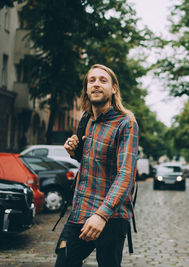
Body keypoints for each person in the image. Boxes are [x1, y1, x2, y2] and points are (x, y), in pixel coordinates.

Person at [55, 64, 139, 267]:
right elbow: (90, 161)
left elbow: (125, 174)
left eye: (103, 80)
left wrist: (102, 215)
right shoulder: (86, 120)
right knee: (64, 261)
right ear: (86, 88)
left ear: (114, 88)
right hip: (80, 211)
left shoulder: (125, 123)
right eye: (91, 80)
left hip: (111, 216)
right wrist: (74, 151)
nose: (96, 84)